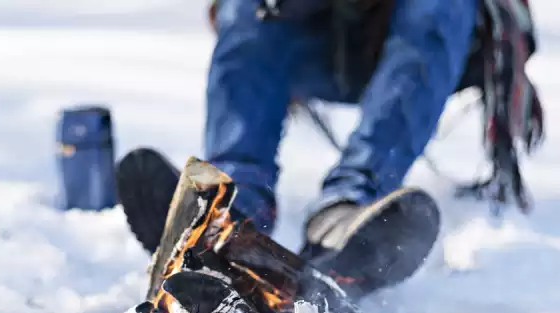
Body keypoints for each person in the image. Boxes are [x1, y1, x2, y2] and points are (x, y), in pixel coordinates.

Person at [204, 0, 544, 257]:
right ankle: (232, 201)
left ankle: (353, 203)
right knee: (245, 8)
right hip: (309, 37)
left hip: (426, 46)